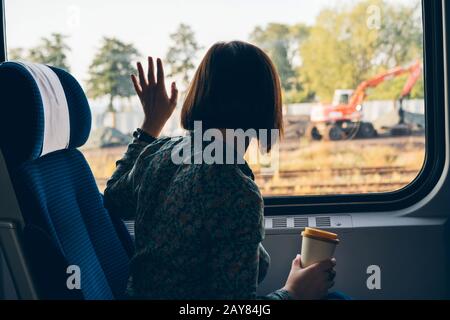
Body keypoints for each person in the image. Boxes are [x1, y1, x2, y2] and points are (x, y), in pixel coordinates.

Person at [104, 41, 337, 300]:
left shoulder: (159, 152)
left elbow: (113, 199)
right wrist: (293, 292)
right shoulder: (236, 190)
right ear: (263, 107)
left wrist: (151, 124)